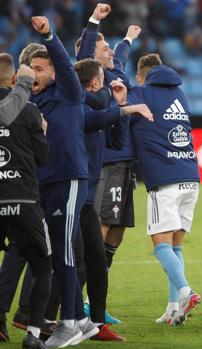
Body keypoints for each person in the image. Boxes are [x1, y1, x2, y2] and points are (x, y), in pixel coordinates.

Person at [29, 16, 98, 347]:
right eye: (31, 69)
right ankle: (82, 320)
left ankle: (69, 323)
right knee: (58, 253)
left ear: (54, 72)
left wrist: (49, 37)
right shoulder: (32, 103)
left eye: (41, 68)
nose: (35, 74)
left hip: (69, 179)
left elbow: (68, 68)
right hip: (44, 183)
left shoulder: (69, 93)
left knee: (64, 253)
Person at [73, 58, 151, 341]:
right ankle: (42, 318)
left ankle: (93, 323)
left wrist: (119, 107)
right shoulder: (76, 107)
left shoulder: (96, 107)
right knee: (67, 260)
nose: (108, 84)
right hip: (71, 192)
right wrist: (125, 107)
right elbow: (99, 119)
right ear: (95, 83)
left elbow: (116, 141)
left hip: (85, 195)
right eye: (104, 79)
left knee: (94, 258)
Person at [74, 3, 140, 324]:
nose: (111, 52)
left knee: (115, 236)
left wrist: (126, 40)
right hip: (105, 166)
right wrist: (95, 21)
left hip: (124, 162)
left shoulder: (115, 76)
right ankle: (76, 304)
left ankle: (90, 302)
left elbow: (120, 56)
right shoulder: (88, 81)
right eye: (105, 48)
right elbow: (87, 51)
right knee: (96, 239)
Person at [128, 53, 200, 325]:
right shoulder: (180, 94)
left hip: (164, 177)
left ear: (140, 75)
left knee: (160, 244)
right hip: (191, 177)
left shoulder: (140, 92)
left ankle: (186, 292)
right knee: (176, 246)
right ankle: (173, 309)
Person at [0, 53, 52, 349]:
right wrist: (42, 131)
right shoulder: (30, 111)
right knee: (43, 265)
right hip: (24, 199)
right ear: (13, 79)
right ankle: (32, 334)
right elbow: (42, 158)